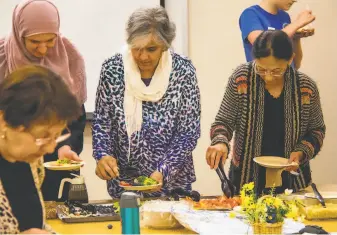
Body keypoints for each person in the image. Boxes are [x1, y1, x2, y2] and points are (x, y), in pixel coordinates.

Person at [92, 7, 201, 198]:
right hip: (125, 184)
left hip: (172, 183)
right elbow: (103, 122)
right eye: (136, 49)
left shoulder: (183, 71)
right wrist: (102, 156)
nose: (143, 57)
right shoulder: (112, 70)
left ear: (165, 45)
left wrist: (163, 169)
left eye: (151, 49)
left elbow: (188, 132)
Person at [206, 30, 325, 195]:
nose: (268, 77)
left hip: (293, 184)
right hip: (244, 181)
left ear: (290, 59)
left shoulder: (305, 88)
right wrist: (220, 142)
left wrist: (301, 152)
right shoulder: (242, 78)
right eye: (261, 69)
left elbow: (317, 131)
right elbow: (223, 122)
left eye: (276, 71)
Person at [0, 0, 87, 201]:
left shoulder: (69, 56)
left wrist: (66, 146)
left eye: (50, 41)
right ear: (19, 33)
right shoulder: (3, 57)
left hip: (54, 162)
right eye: (34, 42)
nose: (43, 49)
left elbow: (74, 115)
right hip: (9, 159)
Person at [0, 65, 82, 234]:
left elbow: (35, 225)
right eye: (43, 136)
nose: (51, 147)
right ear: (3, 121)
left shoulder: (31, 162)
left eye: (57, 136)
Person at [239, 0, 315, 69]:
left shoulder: (285, 17)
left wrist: (296, 38)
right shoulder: (250, 14)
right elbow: (262, 45)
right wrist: (297, 23)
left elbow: (295, 65)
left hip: (287, 81)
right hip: (263, 81)